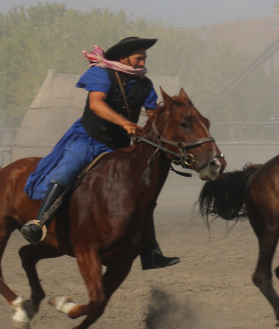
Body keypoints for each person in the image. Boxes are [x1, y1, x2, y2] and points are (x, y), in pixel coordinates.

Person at [19, 36, 179, 270]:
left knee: (141, 194)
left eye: (144, 58)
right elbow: (96, 104)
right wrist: (125, 122)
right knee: (67, 172)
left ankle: (151, 251)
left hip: (120, 145)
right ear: (123, 58)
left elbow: (154, 114)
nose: (143, 61)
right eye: (139, 57)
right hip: (88, 138)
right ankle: (38, 223)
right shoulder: (101, 74)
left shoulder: (145, 84)